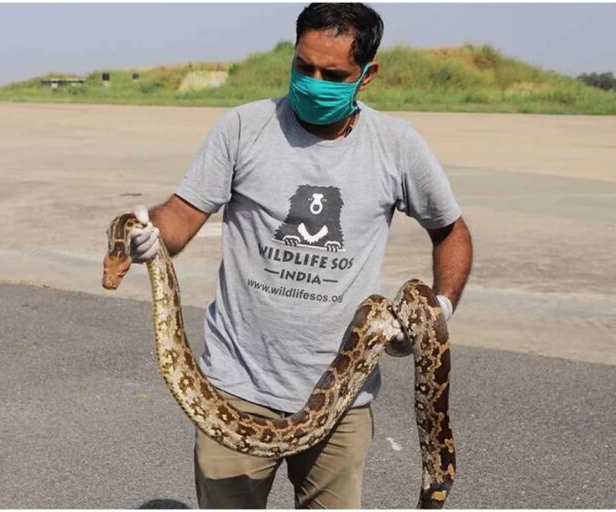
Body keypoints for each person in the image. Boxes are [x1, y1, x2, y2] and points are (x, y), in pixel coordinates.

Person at [128, 3, 473, 508]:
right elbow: (183, 214)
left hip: (343, 399)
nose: (313, 82)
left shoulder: (396, 146)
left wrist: (437, 311)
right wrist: (150, 234)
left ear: (367, 75)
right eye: (303, 67)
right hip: (236, 386)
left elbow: (452, 232)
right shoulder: (245, 127)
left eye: (332, 75)